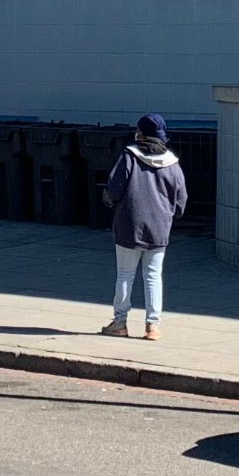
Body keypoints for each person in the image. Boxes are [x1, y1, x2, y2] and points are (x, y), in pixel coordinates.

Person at [101, 114, 186, 342]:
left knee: (125, 274)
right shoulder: (173, 163)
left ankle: (120, 322)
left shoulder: (129, 156)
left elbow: (114, 189)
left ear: (141, 133)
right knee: (153, 276)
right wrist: (169, 216)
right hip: (159, 228)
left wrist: (108, 200)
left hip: (129, 225)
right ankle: (153, 326)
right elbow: (181, 201)